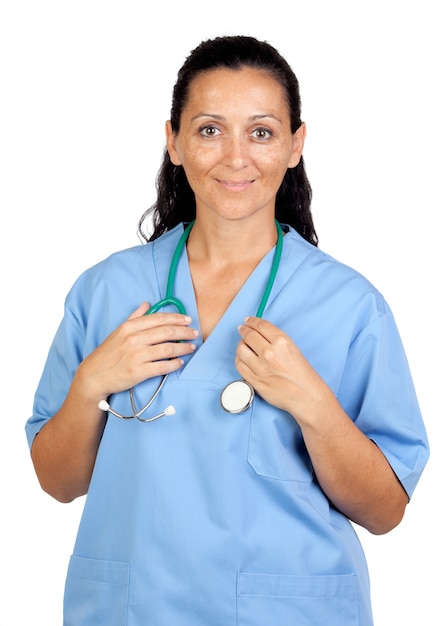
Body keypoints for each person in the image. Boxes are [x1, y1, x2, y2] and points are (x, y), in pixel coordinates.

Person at [25, 35, 429, 625]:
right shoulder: (105, 291)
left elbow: (386, 510)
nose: (235, 157)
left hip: (289, 611)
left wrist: (314, 404)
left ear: (295, 145)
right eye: (210, 129)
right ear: (174, 141)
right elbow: (57, 482)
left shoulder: (349, 306)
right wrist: (90, 386)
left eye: (261, 132)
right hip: (136, 610)